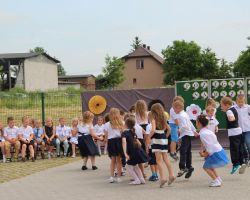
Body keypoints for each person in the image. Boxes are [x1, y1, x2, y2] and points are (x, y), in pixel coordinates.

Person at [196, 114, 229, 187]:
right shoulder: (206, 131)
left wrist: (205, 154)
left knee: (206, 167)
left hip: (215, 152)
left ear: (199, 123)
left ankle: (216, 181)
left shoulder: (203, 133)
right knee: (210, 166)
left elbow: (210, 146)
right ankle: (218, 179)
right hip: (217, 150)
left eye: (196, 122)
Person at [149, 103, 175, 188]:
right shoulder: (164, 117)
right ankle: (171, 175)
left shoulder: (153, 118)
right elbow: (169, 129)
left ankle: (163, 178)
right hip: (163, 138)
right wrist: (165, 137)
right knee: (166, 159)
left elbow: (153, 129)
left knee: (159, 161)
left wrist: (148, 137)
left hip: (156, 138)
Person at [220, 96, 247, 174]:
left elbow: (231, 118)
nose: (221, 107)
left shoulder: (229, 111)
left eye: (222, 105)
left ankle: (236, 164)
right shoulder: (233, 108)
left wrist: (231, 118)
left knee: (234, 149)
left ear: (227, 105)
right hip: (239, 131)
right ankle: (242, 162)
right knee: (240, 148)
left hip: (233, 133)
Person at [173, 100, 196, 179]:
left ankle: (183, 167)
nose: (173, 110)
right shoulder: (185, 114)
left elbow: (185, 126)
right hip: (189, 134)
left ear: (178, 108)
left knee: (183, 151)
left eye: (174, 108)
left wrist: (179, 130)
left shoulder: (181, 116)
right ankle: (189, 167)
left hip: (185, 134)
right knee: (188, 151)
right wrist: (194, 130)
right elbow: (190, 123)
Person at [122, 117, 148, 185]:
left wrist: (125, 153)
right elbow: (139, 143)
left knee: (128, 166)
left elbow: (124, 142)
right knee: (135, 166)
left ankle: (136, 180)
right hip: (138, 150)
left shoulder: (124, 133)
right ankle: (141, 179)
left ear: (125, 124)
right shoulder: (132, 131)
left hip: (132, 152)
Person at [104, 108, 124, 183]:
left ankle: (111, 177)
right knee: (119, 160)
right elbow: (123, 134)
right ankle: (119, 177)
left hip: (111, 142)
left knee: (113, 160)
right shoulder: (122, 123)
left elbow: (106, 137)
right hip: (119, 141)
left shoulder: (106, 124)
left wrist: (105, 142)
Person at [235, 94, 250, 165]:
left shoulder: (248, 107)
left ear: (244, 101)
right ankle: (246, 158)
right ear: (236, 101)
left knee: (248, 143)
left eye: (242, 102)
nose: (240, 103)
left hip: (247, 129)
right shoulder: (234, 108)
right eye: (239, 102)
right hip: (239, 130)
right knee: (242, 145)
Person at [169, 96, 184, 161]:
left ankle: (174, 151)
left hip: (175, 125)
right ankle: (172, 152)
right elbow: (176, 120)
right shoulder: (173, 109)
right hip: (173, 125)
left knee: (175, 139)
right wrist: (180, 127)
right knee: (174, 139)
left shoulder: (174, 108)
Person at [145, 112, 159, 181]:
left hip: (151, 145)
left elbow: (147, 137)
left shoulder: (148, 126)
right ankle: (156, 174)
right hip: (158, 145)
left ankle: (153, 174)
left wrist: (147, 146)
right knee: (156, 161)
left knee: (151, 161)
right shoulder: (158, 125)